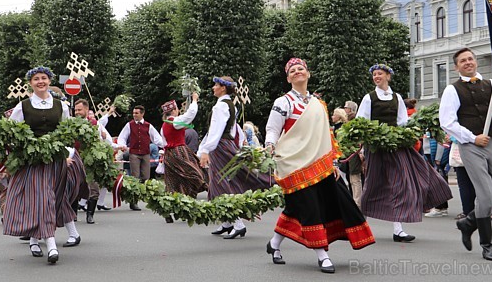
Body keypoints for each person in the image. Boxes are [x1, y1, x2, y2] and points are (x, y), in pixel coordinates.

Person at [265, 58, 374, 274]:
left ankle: (274, 244)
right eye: (292, 71)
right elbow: (272, 129)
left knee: (305, 206)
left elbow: (326, 135)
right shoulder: (283, 102)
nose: (297, 72)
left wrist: (332, 161)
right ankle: (322, 254)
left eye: (301, 69)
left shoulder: (317, 103)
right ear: (288, 78)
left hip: (319, 164)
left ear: (308, 74)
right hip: (294, 163)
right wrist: (269, 147)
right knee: (310, 207)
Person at [439, 48, 492, 261]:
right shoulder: (452, 89)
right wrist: (472, 137)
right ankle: (488, 245)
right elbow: (447, 122)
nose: (468, 62)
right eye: (463, 61)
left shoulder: (491, 83)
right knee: (485, 195)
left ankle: (469, 222)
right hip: (471, 145)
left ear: (475, 61)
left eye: (470, 59)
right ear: (456, 66)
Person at [357, 63, 452, 243]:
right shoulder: (369, 98)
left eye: (380, 74)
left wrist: (410, 133)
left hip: (395, 146)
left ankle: (398, 229)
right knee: (372, 184)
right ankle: (360, 226)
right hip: (376, 147)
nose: (376, 77)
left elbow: (402, 121)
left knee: (398, 184)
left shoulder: (397, 97)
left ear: (388, 76)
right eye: (374, 75)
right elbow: (362, 122)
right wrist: (365, 144)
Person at [3, 66, 71, 264]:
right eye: (36, 79)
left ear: (49, 81)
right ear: (30, 84)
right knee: (44, 198)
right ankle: (51, 245)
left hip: (55, 159)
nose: (40, 81)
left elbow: (67, 131)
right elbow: (12, 131)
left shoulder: (61, 106)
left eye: (44, 78)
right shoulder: (23, 106)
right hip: (33, 161)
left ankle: (34, 239)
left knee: (50, 198)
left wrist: (68, 153)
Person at [198, 76, 273, 239]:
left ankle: (238, 223)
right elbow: (234, 130)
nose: (213, 88)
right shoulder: (230, 105)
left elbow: (215, 131)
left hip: (220, 147)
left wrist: (205, 150)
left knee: (222, 183)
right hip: (226, 145)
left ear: (223, 88)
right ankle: (227, 222)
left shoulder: (220, 107)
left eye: (216, 85)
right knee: (222, 182)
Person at [159, 94, 206, 223]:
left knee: (172, 183)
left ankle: (170, 210)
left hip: (168, 154)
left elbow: (163, 142)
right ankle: (187, 205)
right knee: (194, 174)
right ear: (174, 110)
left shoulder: (164, 125)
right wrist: (195, 100)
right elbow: (190, 115)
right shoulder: (174, 122)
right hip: (179, 152)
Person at [74, 99, 120, 223]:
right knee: (75, 187)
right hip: (76, 159)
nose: (77, 112)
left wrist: (109, 147)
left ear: (86, 110)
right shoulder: (71, 124)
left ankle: (90, 215)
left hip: (91, 160)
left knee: (94, 188)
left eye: (79, 110)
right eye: (75, 110)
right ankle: (73, 215)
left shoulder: (95, 123)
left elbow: (104, 140)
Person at [117, 105, 164, 211]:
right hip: (134, 153)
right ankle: (133, 201)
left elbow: (157, 139)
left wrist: (165, 146)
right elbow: (122, 137)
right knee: (135, 177)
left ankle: (141, 195)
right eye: (133, 113)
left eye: (137, 113)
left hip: (145, 153)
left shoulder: (148, 126)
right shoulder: (129, 125)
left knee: (145, 176)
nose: (134, 115)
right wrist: (122, 145)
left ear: (142, 114)